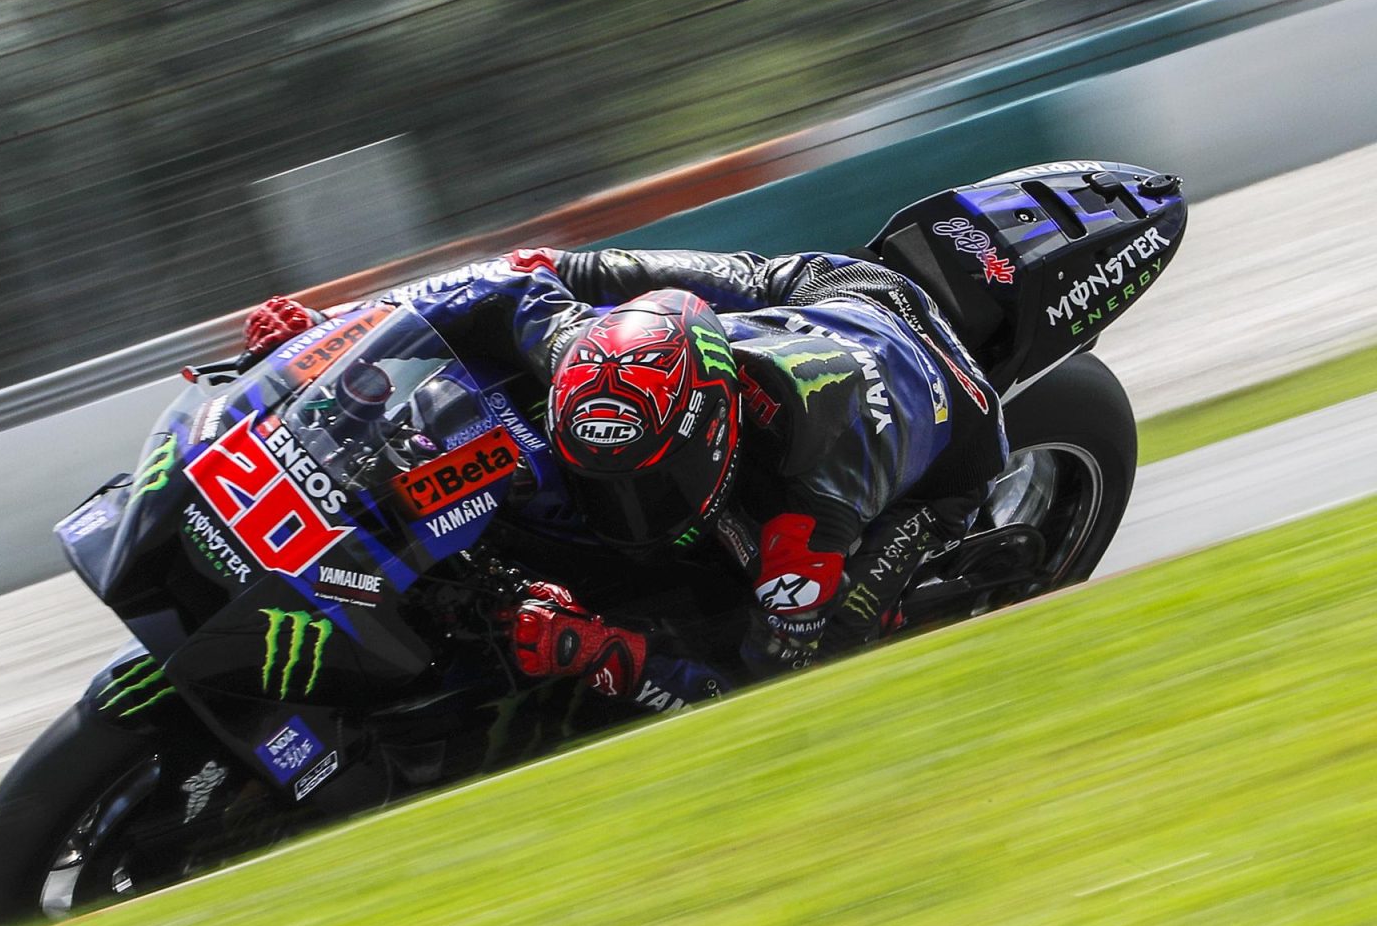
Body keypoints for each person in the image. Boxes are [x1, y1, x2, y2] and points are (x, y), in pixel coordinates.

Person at [243, 248, 1008, 711]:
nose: (617, 509)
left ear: (711, 444)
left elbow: (767, 677)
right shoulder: (574, 341)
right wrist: (328, 326)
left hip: (948, 415)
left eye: (643, 485)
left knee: (833, 639)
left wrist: (601, 649)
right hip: (800, 295)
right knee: (562, 268)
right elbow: (491, 288)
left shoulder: (808, 510)